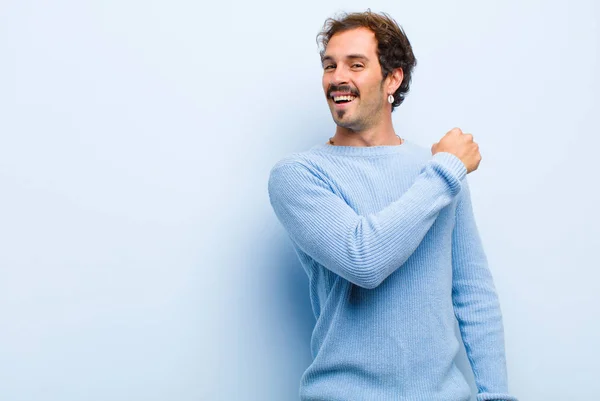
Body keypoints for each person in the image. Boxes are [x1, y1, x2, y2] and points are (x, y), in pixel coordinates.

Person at [267, 10, 517, 401]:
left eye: (356, 64)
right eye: (329, 65)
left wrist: (498, 397)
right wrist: (446, 171)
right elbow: (363, 259)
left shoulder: (437, 173)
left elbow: (473, 293)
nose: (337, 77)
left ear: (392, 79)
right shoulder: (299, 176)